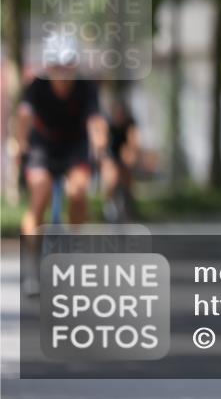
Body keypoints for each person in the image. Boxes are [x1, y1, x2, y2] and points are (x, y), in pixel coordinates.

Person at [16, 34, 108, 296]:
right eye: (57, 67)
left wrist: (100, 144)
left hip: (74, 146)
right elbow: (24, 116)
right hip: (42, 146)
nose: (63, 74)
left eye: (68, 67)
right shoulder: (36, 86)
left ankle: (74, 248)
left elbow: (96, 120)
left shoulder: (86, 87)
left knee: (78, 192)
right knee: (40, 195)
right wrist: (20, 145)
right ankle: (32, 263)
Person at [100, 98, 140, 222]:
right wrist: (105, 160)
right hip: (110, 153)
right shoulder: (108, 123)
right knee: (111, 178)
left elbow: (134, 142)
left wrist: (130, 155)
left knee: (127, 171)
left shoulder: (130, 123)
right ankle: (109, 204)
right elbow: (102, 144)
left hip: (124, 151)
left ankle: (128, 202)